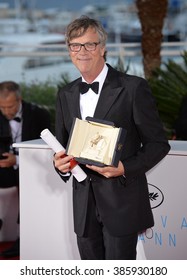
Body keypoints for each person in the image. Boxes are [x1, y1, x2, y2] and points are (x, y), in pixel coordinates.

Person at [53, 16, 170, 260]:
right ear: (69, 51)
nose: (82, 51)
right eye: (75, 45)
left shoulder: (133, 88)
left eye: (90, 45)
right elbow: (63, 146)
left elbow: (158, 144)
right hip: (83, 206)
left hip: (122, 202)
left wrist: (125, 167)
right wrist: (60, 165)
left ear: (103, 48)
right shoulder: (66, 94)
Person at [0, 81, 51, 258]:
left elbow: (48, 151)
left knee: (28, 186)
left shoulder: (40, 115)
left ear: (20, 99)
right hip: (4, 169)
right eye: (2, 107)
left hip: (32, 168)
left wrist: (18, 159)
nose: (7, 112)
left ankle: (24, 240)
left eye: (10, 106)